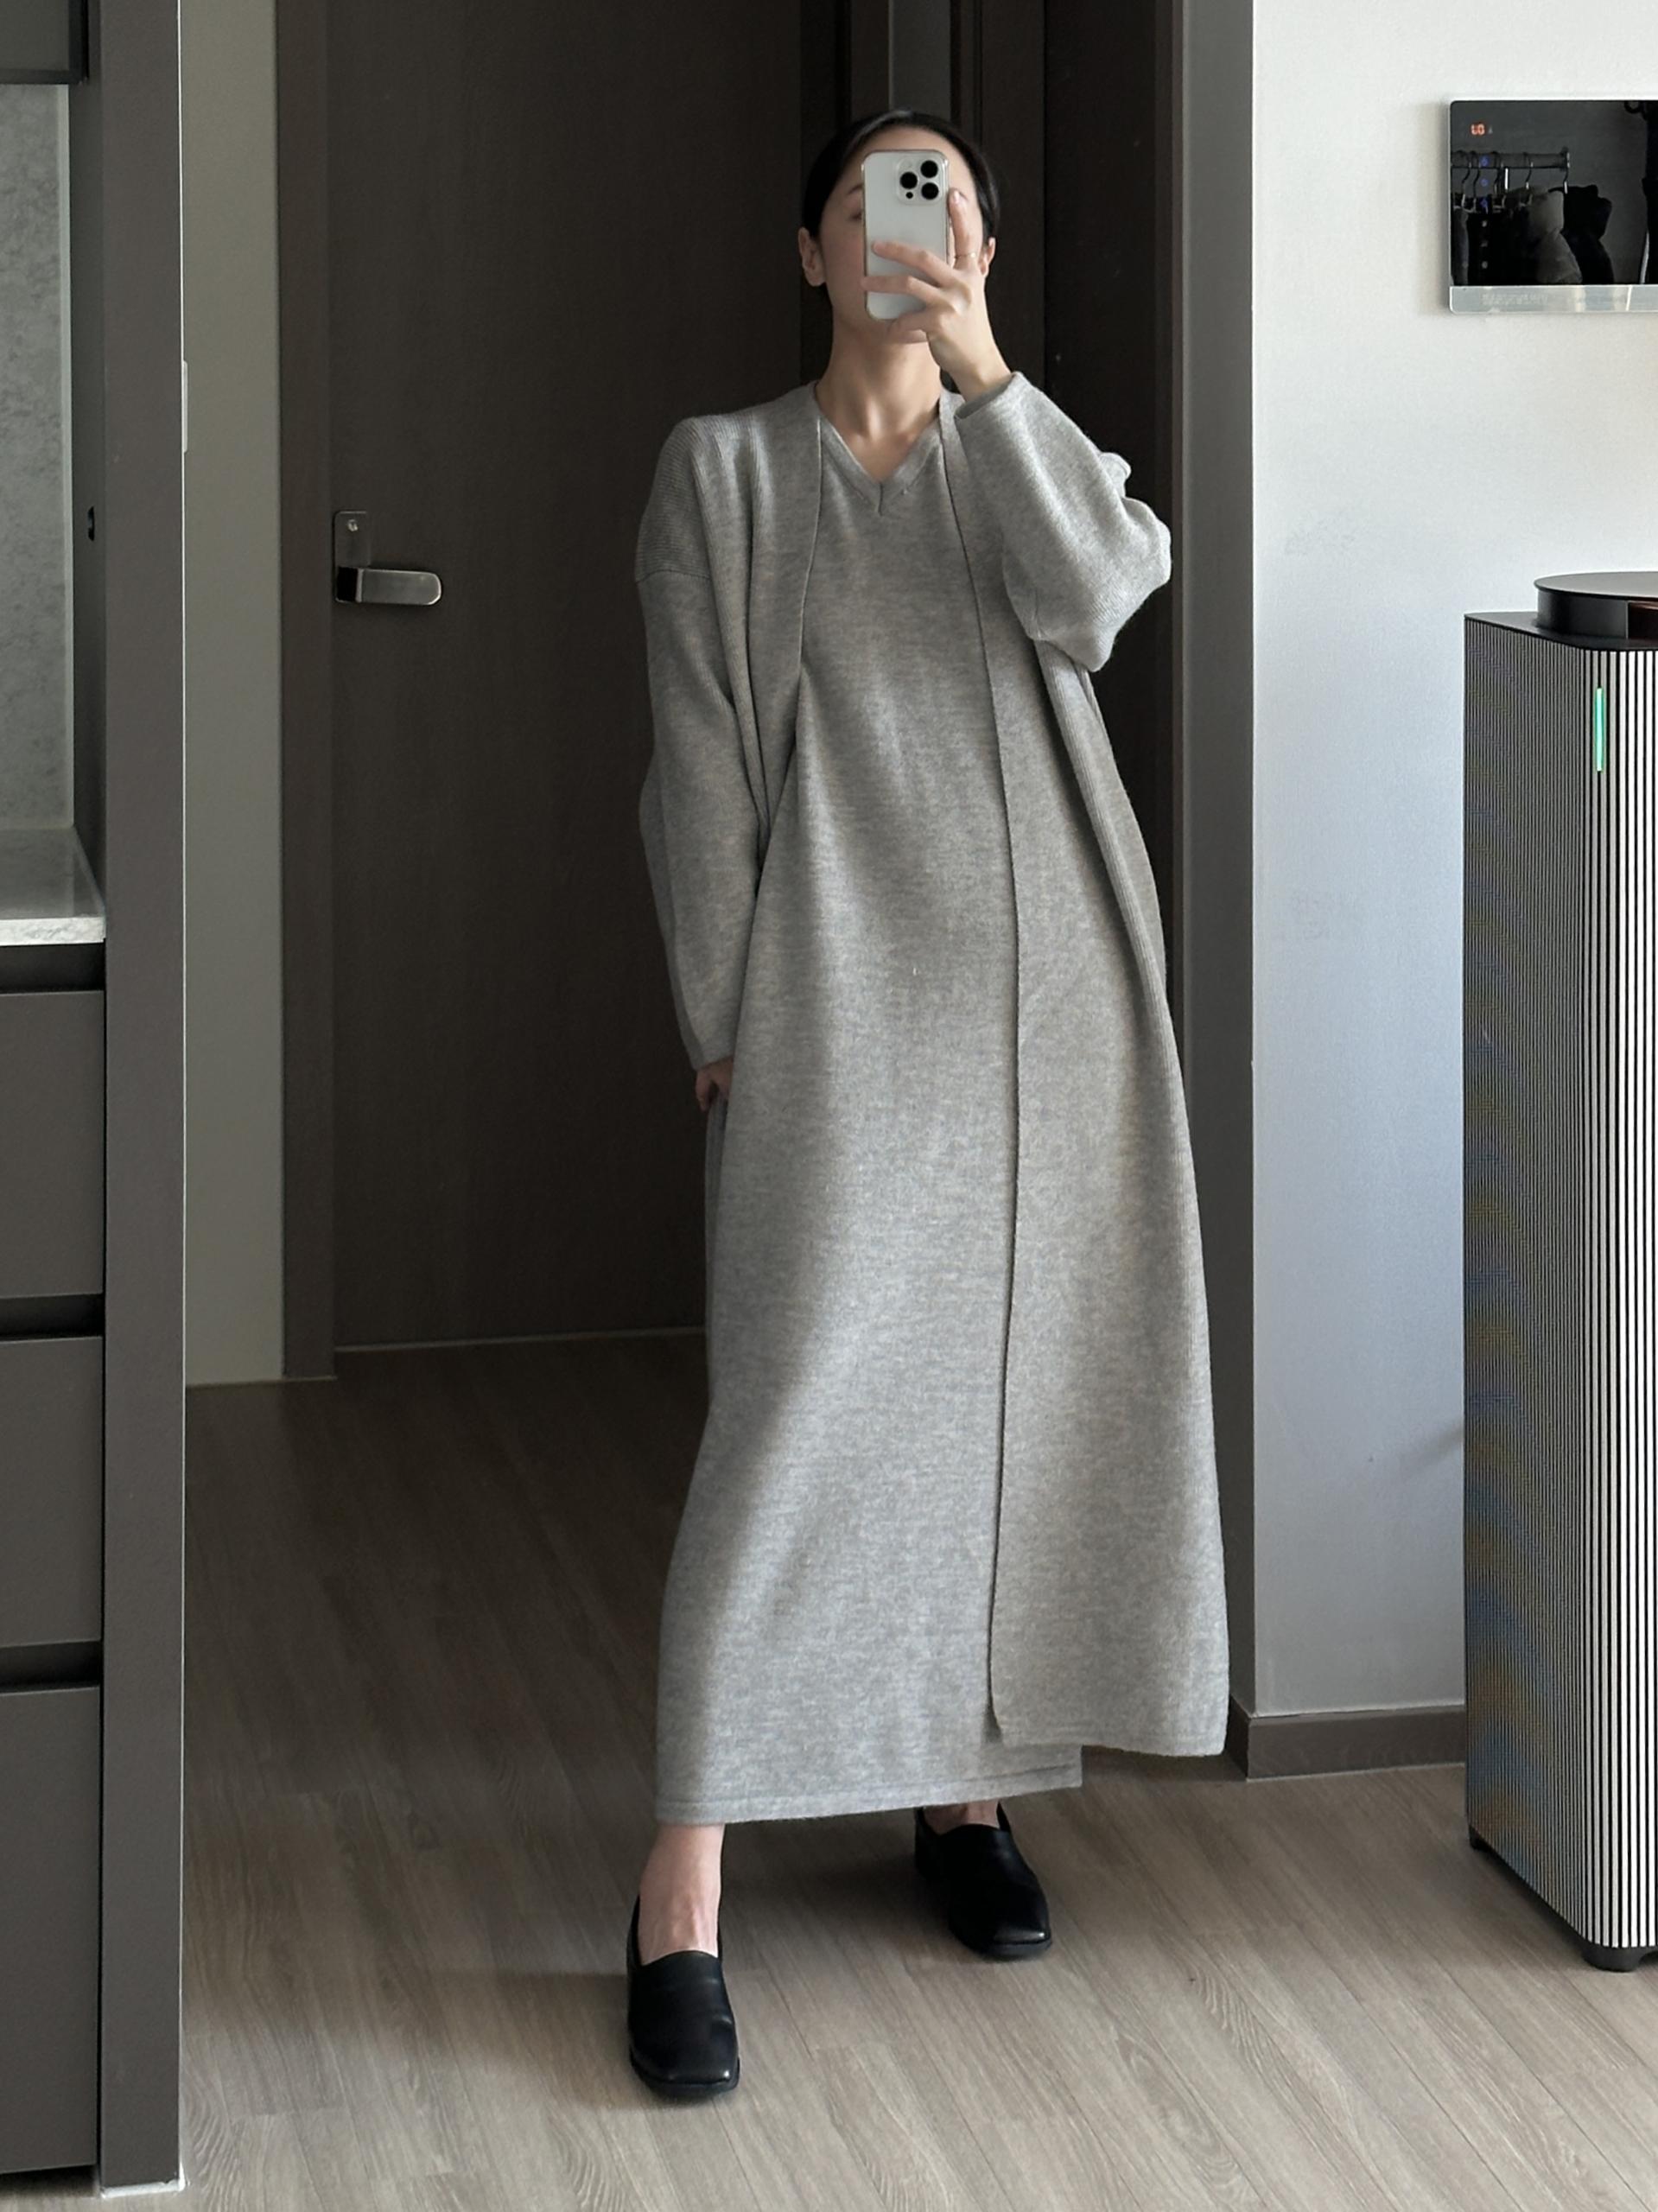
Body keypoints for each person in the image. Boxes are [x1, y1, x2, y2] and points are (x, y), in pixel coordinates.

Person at [626, 108, 1229, 2099]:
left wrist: (986, 372)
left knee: (1001, 1405)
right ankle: (684, 1882)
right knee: (794, 1413)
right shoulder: (725, 474)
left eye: (945, 197)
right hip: (831, 1009)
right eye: (880, 198)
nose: (916, 223)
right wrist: (723, 1008)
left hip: (1050, 1011)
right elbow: (699, 765)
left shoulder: (1019, 450)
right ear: (813, 248)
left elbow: (1105, 595)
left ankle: (962, 1799)